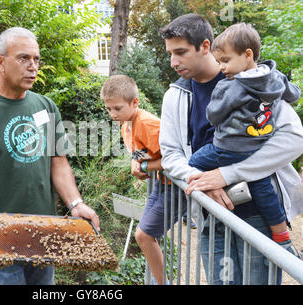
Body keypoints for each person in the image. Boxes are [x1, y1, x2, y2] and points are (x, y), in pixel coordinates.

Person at [0, 27, 99, 285]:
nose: (32, 66)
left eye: (36, 59)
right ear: (0, 62)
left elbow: (58, 163)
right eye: (23, 58)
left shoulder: (46, 107)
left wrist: (75, 203)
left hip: (45, 231)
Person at [159, 14, 303, 285]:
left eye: (180, 52)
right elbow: (170, 155)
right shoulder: (174, 96)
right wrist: (202, 181)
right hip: (211, 216)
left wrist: (228, 174)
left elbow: (294, 139)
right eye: (170, 53)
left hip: (256, 213)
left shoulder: (257, 83)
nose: (173, 62)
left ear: (205, 46)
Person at [188, 23, 301, 255]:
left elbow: (214, 114)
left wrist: (220, 95)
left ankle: (193, 210)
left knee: (193, 164)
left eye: (225, 61)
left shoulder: (231, 86)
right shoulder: (274, 77)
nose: (221, 68)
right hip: (256, 146)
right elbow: (293, 94)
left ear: (247, 54)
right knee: (261, 185)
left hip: (226, 149)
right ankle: (282, 236)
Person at [101, 75, 186, 285]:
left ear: (135, 102)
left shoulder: (148, 124)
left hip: (176, 187)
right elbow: (138, 154)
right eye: (109, 109)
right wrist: (135, 164)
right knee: (145, 235)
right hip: (161, 183)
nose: (112, 114)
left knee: (144, 236)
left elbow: (175, 159)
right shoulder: (126, 124)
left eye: (117, 108)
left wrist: (146, 167)